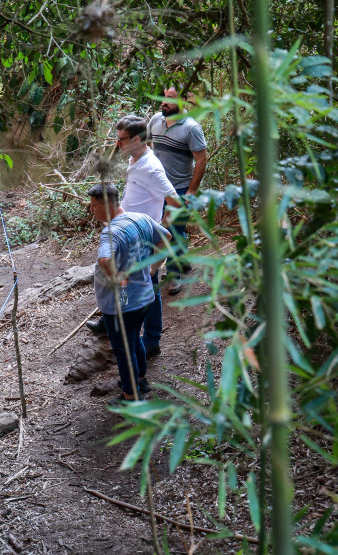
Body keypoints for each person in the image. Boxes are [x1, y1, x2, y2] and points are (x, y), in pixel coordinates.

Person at [86, 114, 180, 360]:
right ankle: (111, 322)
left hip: (142, 235)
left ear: (137, 139)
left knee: (150, 286)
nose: (117, 144)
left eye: (121, 139)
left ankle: (151, 341)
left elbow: (176, 203)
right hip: (125, 230)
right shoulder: (135, 158)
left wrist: (157, 227)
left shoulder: (151, 168)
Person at [87, 183, 171, 404]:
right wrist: (154, 267)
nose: (91, 209)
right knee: (134, 341)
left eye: (94, 205)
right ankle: (140, 380)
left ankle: (131, 396)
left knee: (124, 350)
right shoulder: (141, 219)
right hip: (144, 295)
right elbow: (166, 237)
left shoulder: (111, 233)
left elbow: (105, 260)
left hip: (123, 302)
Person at [147, 87, 208, 294]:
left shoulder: (191, 128)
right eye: (162, 96)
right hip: (156, 189)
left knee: (173, 231)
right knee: (158, 229)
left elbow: (201, 160)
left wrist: (191, 192)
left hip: (179, 189)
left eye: (169, 98)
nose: (163, 102)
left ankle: (173, 274)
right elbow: (146, 146)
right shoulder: (156, 120)